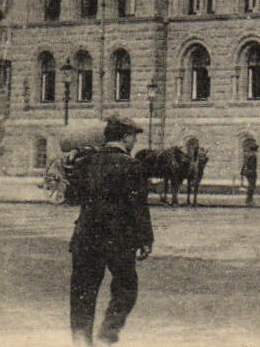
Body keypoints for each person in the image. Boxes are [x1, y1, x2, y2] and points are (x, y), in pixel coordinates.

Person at [68, 114, 153, 346]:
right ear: (125, 138)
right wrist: (146, 239)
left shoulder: (87, 162)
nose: (134, 142)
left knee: (83, 291)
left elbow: (73, 195)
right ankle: (107, 336)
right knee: (126, 288)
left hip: (85, 236)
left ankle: (80, 340)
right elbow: (139, 207)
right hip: (119, 238)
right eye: (133, 137)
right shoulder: (132, 166)